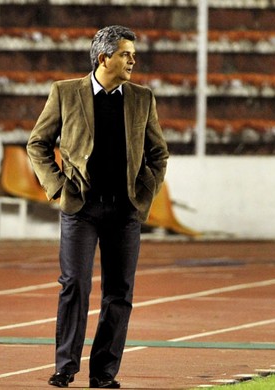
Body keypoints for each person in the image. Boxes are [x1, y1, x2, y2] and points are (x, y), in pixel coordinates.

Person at [27, 25, 169, 388]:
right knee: (74, 284)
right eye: (126, 54)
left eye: (133, 54)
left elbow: (158, 153)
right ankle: (65, 366)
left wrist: (144, 193)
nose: (133, 60)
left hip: (125, 212)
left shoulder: (142, 97)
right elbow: (38, 144)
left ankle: (104, 373)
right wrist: (58, 189)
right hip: (81, 209)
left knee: (119, 293)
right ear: (104, 57)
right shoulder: (65, 92)